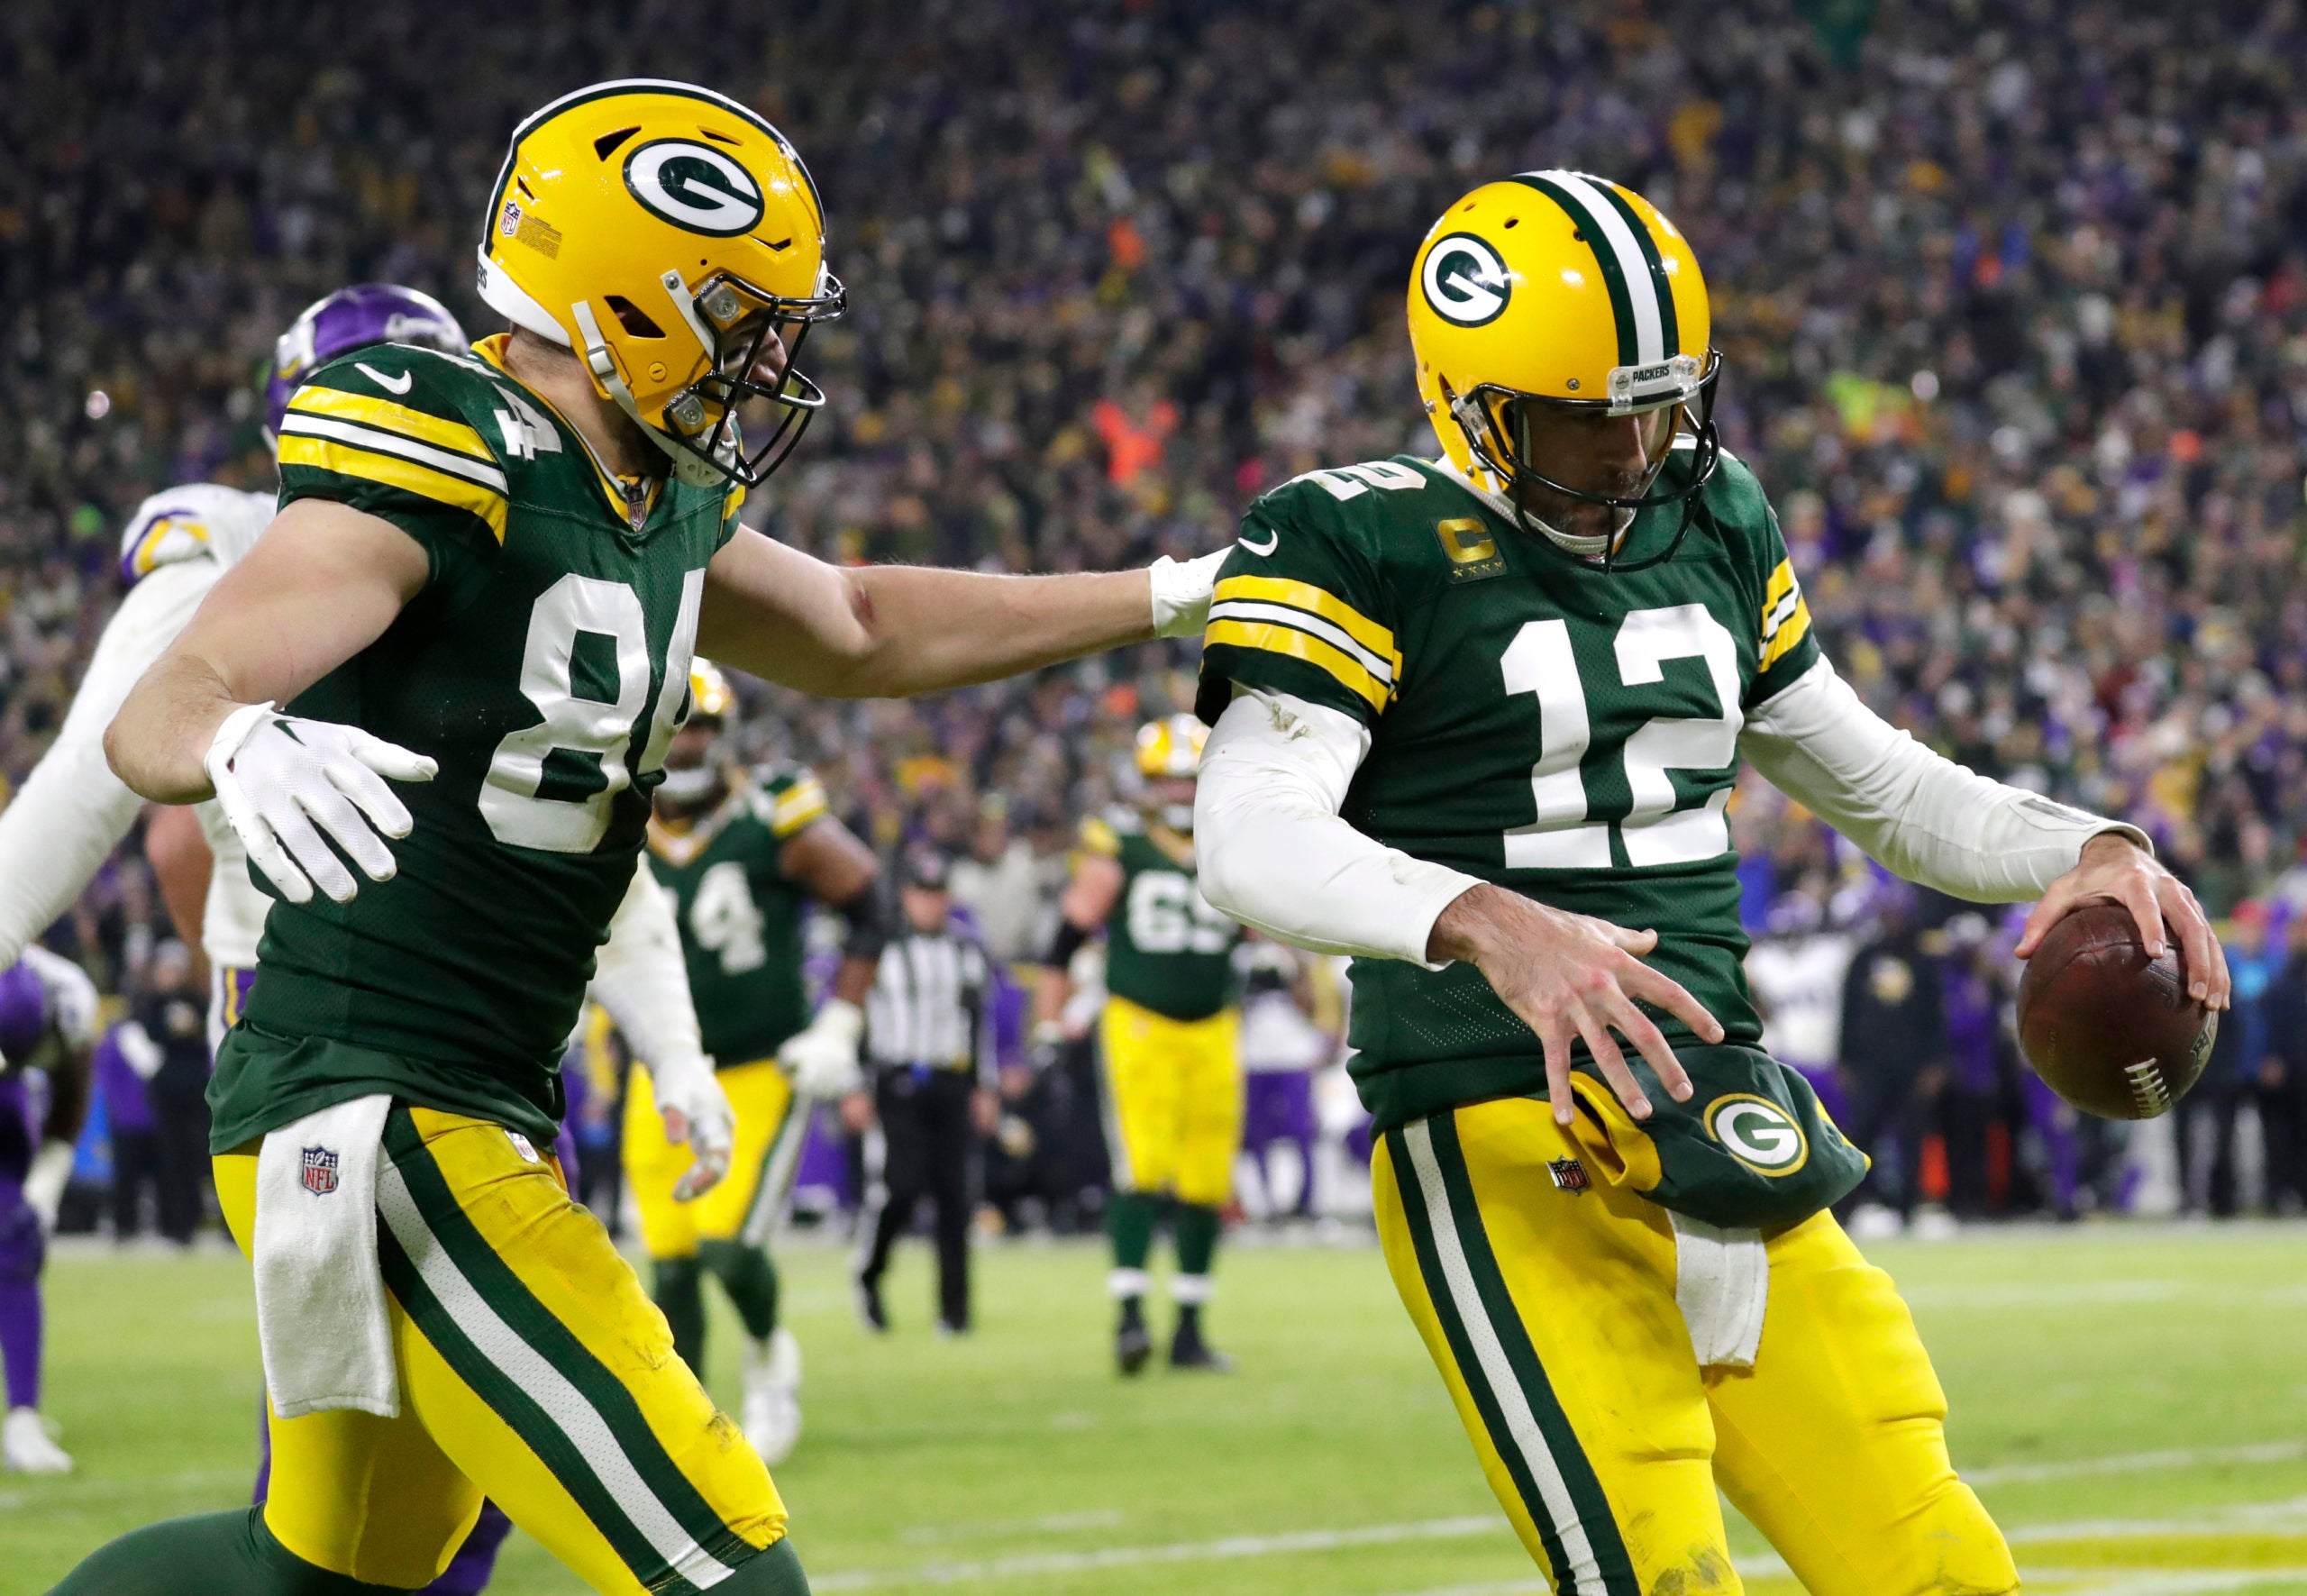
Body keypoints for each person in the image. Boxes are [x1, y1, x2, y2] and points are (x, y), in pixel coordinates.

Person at [62, 78, 1219, 1596]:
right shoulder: (452, 436)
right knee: (732, 1569)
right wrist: (232, 735)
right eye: (744, 316)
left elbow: (861, 624)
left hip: (464, 1095)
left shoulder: (654, 491)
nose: (775, 357)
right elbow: (168, 700)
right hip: (376, 1108)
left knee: (320, 1583)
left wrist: (1161, 594)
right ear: (627, 300)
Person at [1190, 170, 2229, 1595]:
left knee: (1940, 1565)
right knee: (1663, 1576)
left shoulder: (1715, 513)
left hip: (1720, 1119)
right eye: (1585, 409)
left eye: (1658, 397)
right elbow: (1245, 829)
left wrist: (2093, 842)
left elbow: (1887, 786)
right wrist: (1487, 922)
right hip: (1503, 1125)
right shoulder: (1351, 535)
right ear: (1473, 398)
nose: (1632, 443)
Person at [630, 657, 887, 1463]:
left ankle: (772, 1354)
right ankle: (691, 1426)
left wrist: (841, 1021)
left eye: (703, 724)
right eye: (678, 723)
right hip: (663, 1068)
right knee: (668, 1266)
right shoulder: (617, 812)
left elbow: (869, 903)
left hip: (759, 1067)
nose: (691, 740)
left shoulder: (772, 812)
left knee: (728, 1245)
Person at [1035, 715, 1245, 1374]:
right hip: (1140, 1020)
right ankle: (1129, 1317)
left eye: (1189, 779)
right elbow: (1068, 934)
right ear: (1147, 784)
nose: (1181, 793)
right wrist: (1047, 1018)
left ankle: (1188, 1329)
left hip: (1215, 1021)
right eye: (1168, 780)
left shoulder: (1233, 833)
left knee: (1208, 1175)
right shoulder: (1119, 841)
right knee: (1142, 1165)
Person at [853, 850, 996, 1335]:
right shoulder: (882, 947)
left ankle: (955, 1312)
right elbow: (855, 1018)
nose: (931, 904)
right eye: (922, 894)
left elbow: (979, 1023)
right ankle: (869, 1274)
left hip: (951, 1081)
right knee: (902, 1186)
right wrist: (855, 1085)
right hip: (897, 1081)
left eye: (938, 894)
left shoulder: (965, 951)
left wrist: (985, 1086)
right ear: (907, 895)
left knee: (956, 1197)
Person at [0, 948, 97, 1475]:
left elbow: (68, 1101)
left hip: (7, 1107)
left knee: (17, 1240)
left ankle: (22, 1419)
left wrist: (44, 1190)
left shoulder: (68, 1001)